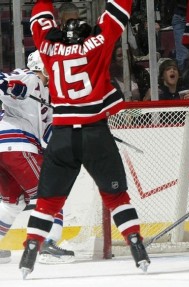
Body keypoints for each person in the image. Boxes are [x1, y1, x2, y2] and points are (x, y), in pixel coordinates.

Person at [19, 0, 150, 278]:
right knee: (116, 196)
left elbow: (39, 17)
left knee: (48, 202)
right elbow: (117, 12)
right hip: (95, 133)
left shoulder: (48, 47)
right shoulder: (98, 43)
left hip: (63, 136)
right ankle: (137, 246)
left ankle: (31, 249)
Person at [0, 50, 74, 265]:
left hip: (10, 148)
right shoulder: (29, 78)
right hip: (16, 145)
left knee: (13, 203)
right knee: (52, 191)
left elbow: (48, 133)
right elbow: (4, 81)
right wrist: (13, 87)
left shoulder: (48, 96)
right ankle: (48, 243)